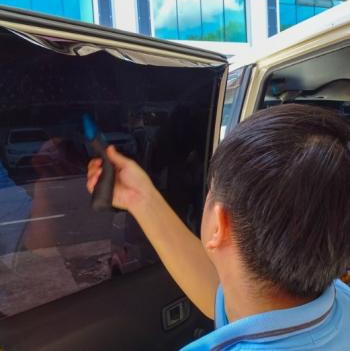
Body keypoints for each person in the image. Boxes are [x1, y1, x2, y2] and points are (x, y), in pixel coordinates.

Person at [86, 104, 350, 350]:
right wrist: (140, 198)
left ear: (220, 223)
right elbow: (223, 291)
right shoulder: (338, 301)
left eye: (211, 189)